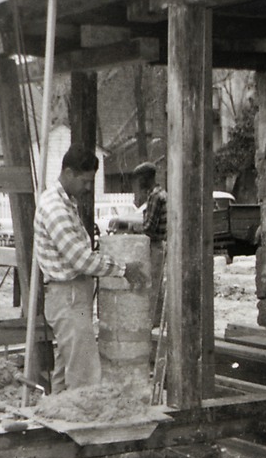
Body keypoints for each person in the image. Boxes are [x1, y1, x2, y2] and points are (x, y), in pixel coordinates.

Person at [35, 144, 147, 393]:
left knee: (68, 369)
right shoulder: (54, 207)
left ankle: (60, 418)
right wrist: (123, 268)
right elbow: (80, 259)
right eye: (85, 181)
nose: (88, 188)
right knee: (85, 373)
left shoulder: (66, 203)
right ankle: (83, 425)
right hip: (68, 296)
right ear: (69, 172)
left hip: (72, 295)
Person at [131, 161, 167, 321]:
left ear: (145, 179)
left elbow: (149, 228)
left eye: (139, 180)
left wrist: (132, 227)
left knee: (152, 286)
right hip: (160, 245)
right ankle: (156, 320)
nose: (138, 184)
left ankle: (151, 321)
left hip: (156, 246)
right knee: (157, 285)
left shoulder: (154, 197)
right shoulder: (161, 193)